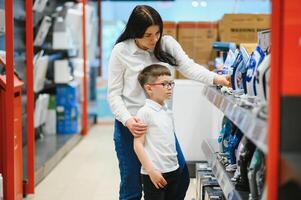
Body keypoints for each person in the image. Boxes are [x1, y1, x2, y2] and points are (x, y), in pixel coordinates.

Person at [107, 5, 230, 200]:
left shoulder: (166, 44)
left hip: (160, 125)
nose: (154, 39)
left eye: (157, 32)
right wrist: (128, 121)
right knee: (132, 187)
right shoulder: (121, 51)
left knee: (179, 178)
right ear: (135, 32)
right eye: (148, 35)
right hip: (131, 127)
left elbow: (188, 67)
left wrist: (216, 78)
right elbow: (114, 95)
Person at [134, 64, 179, 200]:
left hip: (172, 169)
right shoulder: (144, 112)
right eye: (165, 84)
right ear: (149, 88)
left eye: (171, 83)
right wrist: (151, 171)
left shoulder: (166, 110)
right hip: (154, 173)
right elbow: (138, 145)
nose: (169, 88)